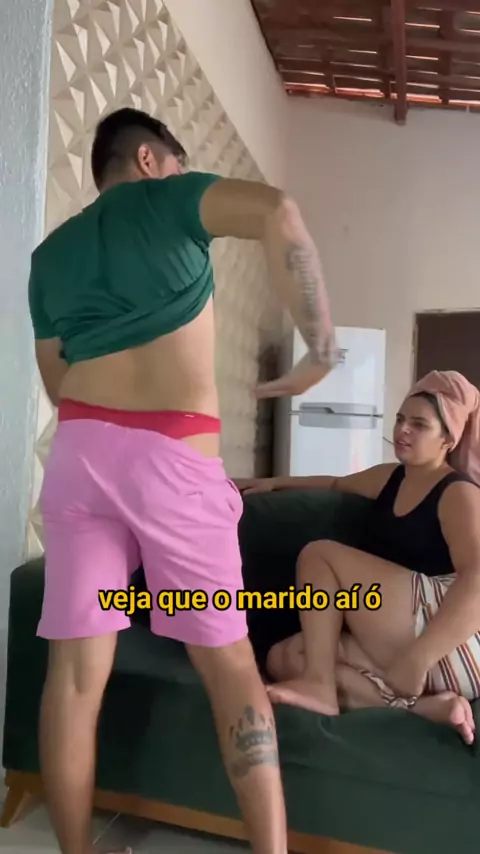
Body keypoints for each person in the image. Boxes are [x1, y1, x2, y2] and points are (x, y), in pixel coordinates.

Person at [28, 107, 340, 854]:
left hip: (80, 455)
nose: (182, 171)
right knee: (229, 665)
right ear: (148, 159)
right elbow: (278, 211)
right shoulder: (169, 198)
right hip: (172, 458)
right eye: (177, 160)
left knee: (73, 676)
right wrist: (322, 348)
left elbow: (56, 381)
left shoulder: (50, 255)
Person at [238, 370, 480, 745]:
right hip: (404, 633)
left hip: (453, 643)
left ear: (448, 439)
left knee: (321, 556)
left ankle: (319, 685)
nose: (403, 430)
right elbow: (335, 483)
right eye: (400, 419)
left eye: (419, 425)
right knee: (285, 657)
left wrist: (419, 658)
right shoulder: (393, 477)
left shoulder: (458, 493)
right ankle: (420, 709)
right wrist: (274, 482)